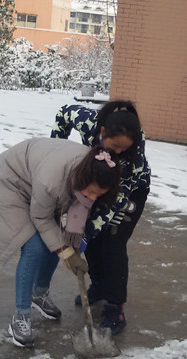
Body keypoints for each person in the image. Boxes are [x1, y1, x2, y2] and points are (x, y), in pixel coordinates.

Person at [0, 137, 121, 348]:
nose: (92, 197)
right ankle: (21, 317)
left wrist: (72, 249)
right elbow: (41, 217)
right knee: (35, 247)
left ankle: (39, 294)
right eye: (90, 191)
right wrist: (65, 252)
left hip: (33, 186)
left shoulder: (93, 168)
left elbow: (75, 215)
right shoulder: (52, 180)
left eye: (99, 194)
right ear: (83, 177)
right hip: (5, 183)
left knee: (55, 241)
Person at [50, 100, 151, 336]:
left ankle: (115, 307)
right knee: (94, 242)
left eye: (124, 149)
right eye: (115, 146)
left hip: (129, 191)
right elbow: (64, 112)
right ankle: (99, 286)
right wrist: (56, 147)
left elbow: (117, 201)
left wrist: (89, 231)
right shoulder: (88, 122)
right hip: (98, 182)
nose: (119, 152)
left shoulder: (133, 157)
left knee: (113, 242)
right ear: (102, 131)